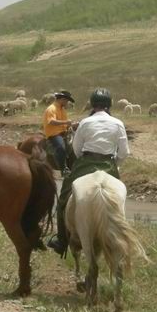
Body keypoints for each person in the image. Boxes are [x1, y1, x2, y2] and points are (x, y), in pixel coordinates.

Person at [48, 87, 129, 256]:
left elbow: (76, 149)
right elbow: (124, 153)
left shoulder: (85, 123)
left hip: (85, 163)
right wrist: (115, 165)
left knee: (64, 197)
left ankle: (61, 240)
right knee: (119, 196)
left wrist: (82, 160)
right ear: (109, 105)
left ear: (92, 104)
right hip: (109, 164)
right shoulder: (118, 124)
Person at [42, 90, 75, 174]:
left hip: (64, 132)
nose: (67, 102)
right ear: (62, 99)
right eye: (67, 101)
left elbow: (65, 123)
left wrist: (72, 125)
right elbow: (51, 121)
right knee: (61, 148)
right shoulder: (51, 109)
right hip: (54, 134)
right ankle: (63, 169)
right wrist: (66, 122)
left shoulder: (62, 109)